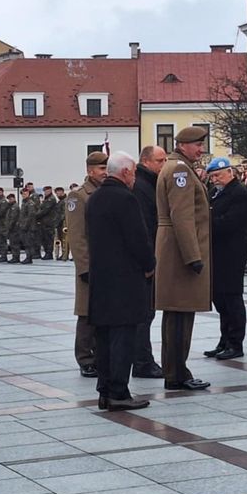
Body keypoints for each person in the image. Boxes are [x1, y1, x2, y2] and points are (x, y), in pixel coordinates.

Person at [85, 151, 156, 411]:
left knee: (104, 339)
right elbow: (138, 238)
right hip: (125, 281)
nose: (135, 178)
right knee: (123, 338)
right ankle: (118, 392)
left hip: (101, 280)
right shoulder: (125, 199)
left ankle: (105, 390)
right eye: (134, 172)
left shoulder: (95, 199)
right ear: (126, 171)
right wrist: (149, 265)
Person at [155, 125, 212, 391]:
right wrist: (193, 256)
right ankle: (177, 373)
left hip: (174, 249)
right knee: (180, 314)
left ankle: (175, 369)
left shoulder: (176, 167)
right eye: (198, 145)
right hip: (180, 252)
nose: (201, 150)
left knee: (177, 314)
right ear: (184, 145)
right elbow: (182, 216)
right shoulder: (180, 170)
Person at [65, 151, 108, 378]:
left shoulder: (107, 192)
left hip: (107, 263)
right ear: (90, 171)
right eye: (101, 169)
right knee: (86, 313)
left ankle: (100, 355)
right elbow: (76, 235)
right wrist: (84, 267)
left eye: (107, 168)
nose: (105, 173)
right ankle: (85, 358)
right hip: (90, 265)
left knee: (104, 312)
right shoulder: (78, 196)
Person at [205, 157, 247, 361]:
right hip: (216, 252)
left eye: (218, 175)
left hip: (231, 253)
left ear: (230, 173)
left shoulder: (239, 193)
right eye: (212, 176)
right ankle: (224, 340)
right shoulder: (216, 192)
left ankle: (235, 342)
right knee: (220, 299)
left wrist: (206, 224)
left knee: (232, 298)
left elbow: (230, 222)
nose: (215, 179)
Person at [132, 145, 167, 378]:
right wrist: (148, 262)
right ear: (146, 161)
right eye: (159, 161)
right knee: (144, 313)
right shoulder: (143, 187)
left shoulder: (149, 184)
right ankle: (143, 362)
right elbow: (144, 227)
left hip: (148, 257)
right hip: (144, 260)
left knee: (147, 312)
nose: (163, 165)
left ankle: (143, 359)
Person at [37, 186, 59, 259]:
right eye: (45, 191)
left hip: (49, 222)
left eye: (47, 191)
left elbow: (45, 210)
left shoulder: (51, 199)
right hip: (44, 222)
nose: (45, 192)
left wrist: (36, 215)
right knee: (44, 238)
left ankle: (49, 253)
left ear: (50, 191)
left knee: (49, 239)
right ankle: (47, 252)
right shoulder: (46, 199)